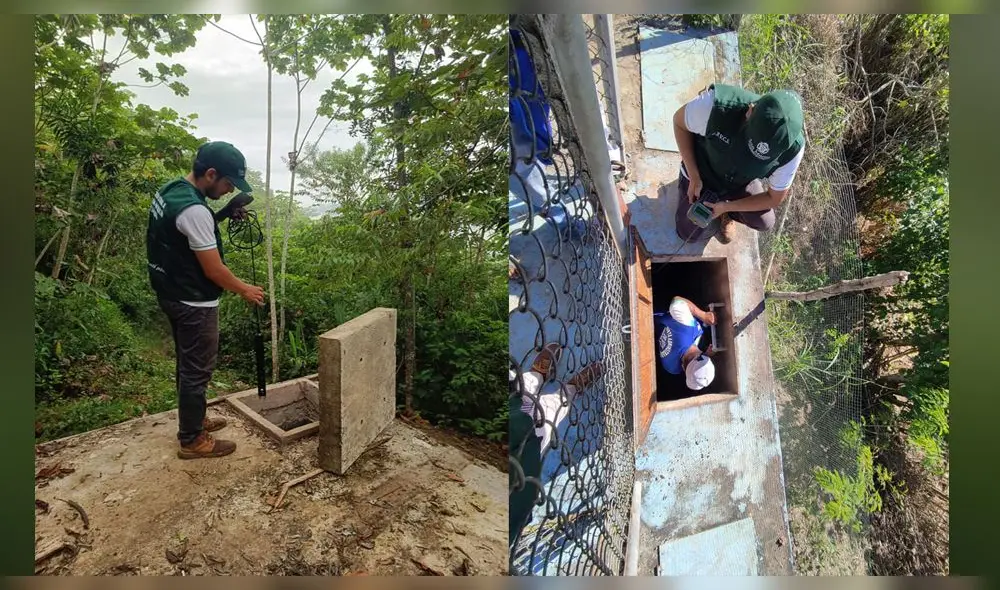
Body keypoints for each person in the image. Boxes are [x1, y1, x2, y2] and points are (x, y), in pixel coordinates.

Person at [146, 141, 266, 460]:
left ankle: (194, 420)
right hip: (193, 301)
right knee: (197, 369)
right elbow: (214, 270)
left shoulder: (173, 190)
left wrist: (224, 214)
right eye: (227, 183)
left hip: (170, 290)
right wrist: (245, 289)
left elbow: (184, 229)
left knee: (188, 365)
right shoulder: (195, 210)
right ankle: (192, 439)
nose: (229, 190)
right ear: (210, 174)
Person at [672, 83, 806, 244]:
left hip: (739, 183)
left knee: (765, 221)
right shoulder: (717, 106)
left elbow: (773, 198)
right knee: (687, 234)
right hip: (701, 172)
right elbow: (679, 123)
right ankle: (690, 186)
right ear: (750, 110)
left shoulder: (793, 150)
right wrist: (693, 175)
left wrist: (728, 207)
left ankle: (727, 215)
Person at [654, 297, 717, 391]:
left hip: (657, 317)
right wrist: (705, 355)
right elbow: (691, 359)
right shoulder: (672, 368)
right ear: (684, 368)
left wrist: (703, 315)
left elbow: (677, 301)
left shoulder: (687, 328)